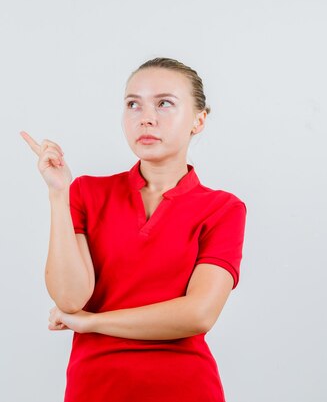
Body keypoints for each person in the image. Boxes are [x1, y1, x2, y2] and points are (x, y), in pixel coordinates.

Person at [20, 57, 247, 402]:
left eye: (165, 103)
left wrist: (92, 323)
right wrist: (57, 193)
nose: (146, 118)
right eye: (133, 104)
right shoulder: (85, 192)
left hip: (186, 388)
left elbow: (198, 313)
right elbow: (69, 298)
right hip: (94, 387)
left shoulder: (223, 209)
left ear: (199, 120)